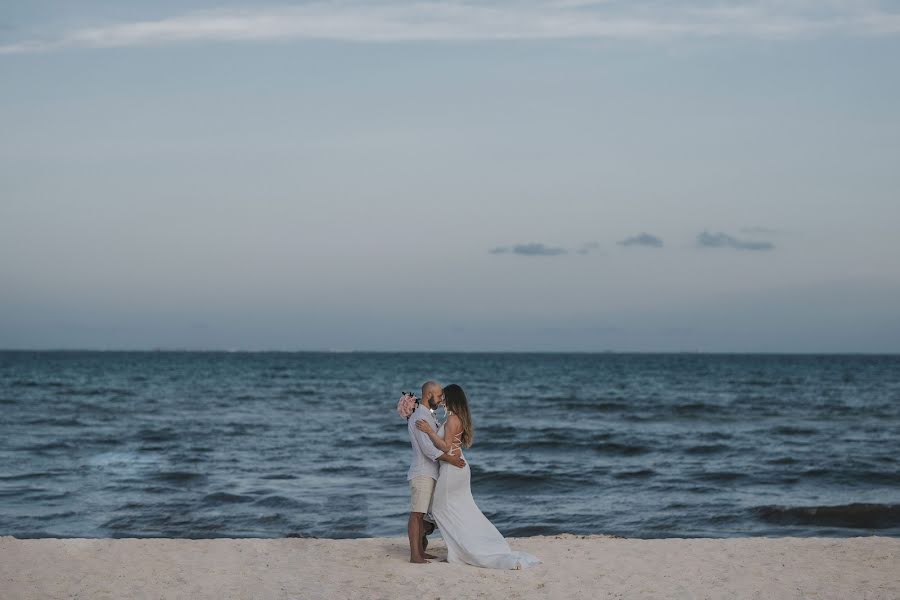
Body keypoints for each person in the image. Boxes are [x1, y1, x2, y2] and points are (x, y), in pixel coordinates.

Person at [416, 384, 541, 569]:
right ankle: (462, 548)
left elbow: (445, 446)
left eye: (444, 396)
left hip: (452, 470)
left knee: (441, 509)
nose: (441, 398)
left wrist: (429, 431)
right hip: (457, 468)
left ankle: (462, 550)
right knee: (461, 509)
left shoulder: (451, 420)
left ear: (451, 398)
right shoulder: (456, 418)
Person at [406, 381, 466, 564]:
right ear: (428, 395)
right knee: (417, 514)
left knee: (427, 515)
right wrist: (452, 460)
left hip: (433, 472)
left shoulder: (429, 416)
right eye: (439, 396)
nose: (441, 400)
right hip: (423, 472)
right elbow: (427, 449)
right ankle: (415, 555)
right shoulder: (419, 417)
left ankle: (421, 552)